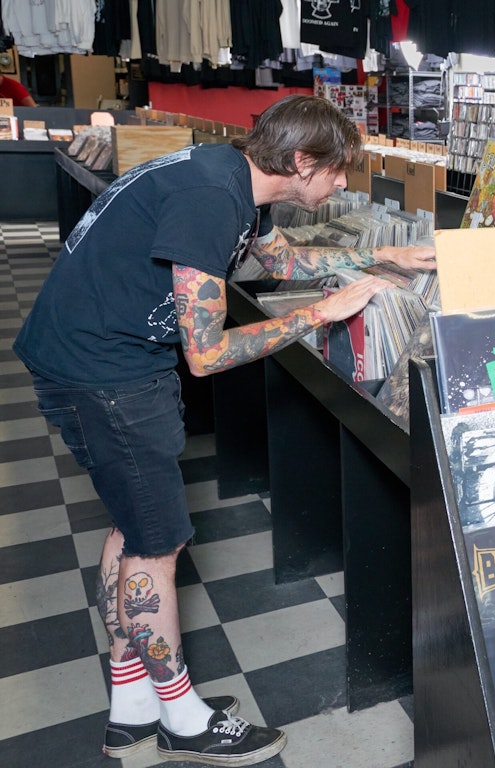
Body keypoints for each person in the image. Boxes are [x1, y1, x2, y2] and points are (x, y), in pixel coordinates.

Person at [13, 95, 435, 766]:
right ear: (299, 162)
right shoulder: (210, 200)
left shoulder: (238, 180)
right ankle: (182, 720)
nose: (344, 184)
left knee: (133, 526)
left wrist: (382, 259)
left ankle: (133, 710)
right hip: (103, 375)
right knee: (156, 545)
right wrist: (323, 314)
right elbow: (206, 355)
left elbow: (277, 263)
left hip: (99, 359)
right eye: (337, 170)